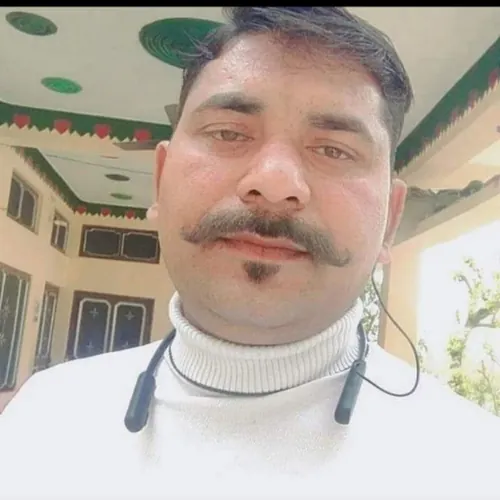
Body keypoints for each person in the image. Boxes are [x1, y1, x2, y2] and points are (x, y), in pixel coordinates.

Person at [1, 7, 499, 499]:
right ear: (160, 179)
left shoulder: (473, 465)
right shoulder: (42, 423)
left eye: (334, 150)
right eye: (228, 133)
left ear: (389, 218)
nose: (275, 183)